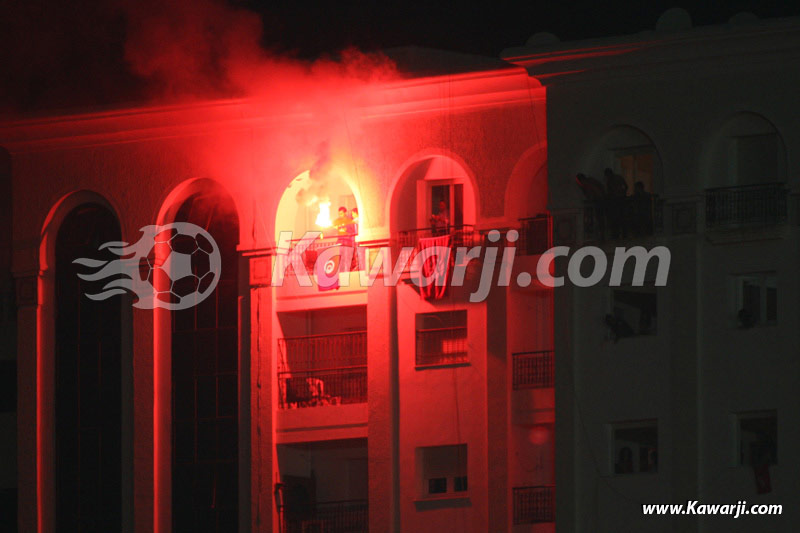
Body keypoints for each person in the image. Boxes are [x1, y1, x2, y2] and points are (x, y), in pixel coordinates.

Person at [575, 173, 606, 239]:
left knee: (599, 218)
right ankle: (599, 234)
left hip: (598, 201)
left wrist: (594, 199)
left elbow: (595, 192)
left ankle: (600, 235)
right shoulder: (589, 182)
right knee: (598, 218)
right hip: (599, 201)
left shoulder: (588, 183)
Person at [604, 168, 628, 238]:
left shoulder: (610, 181)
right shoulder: (618, 178)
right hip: (620, 199)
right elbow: (625, 186)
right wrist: (623, 193)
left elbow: (610, 191)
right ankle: (623, 233)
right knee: (621, 217)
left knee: (616, 217)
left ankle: (616, 233)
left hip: (615, 200)